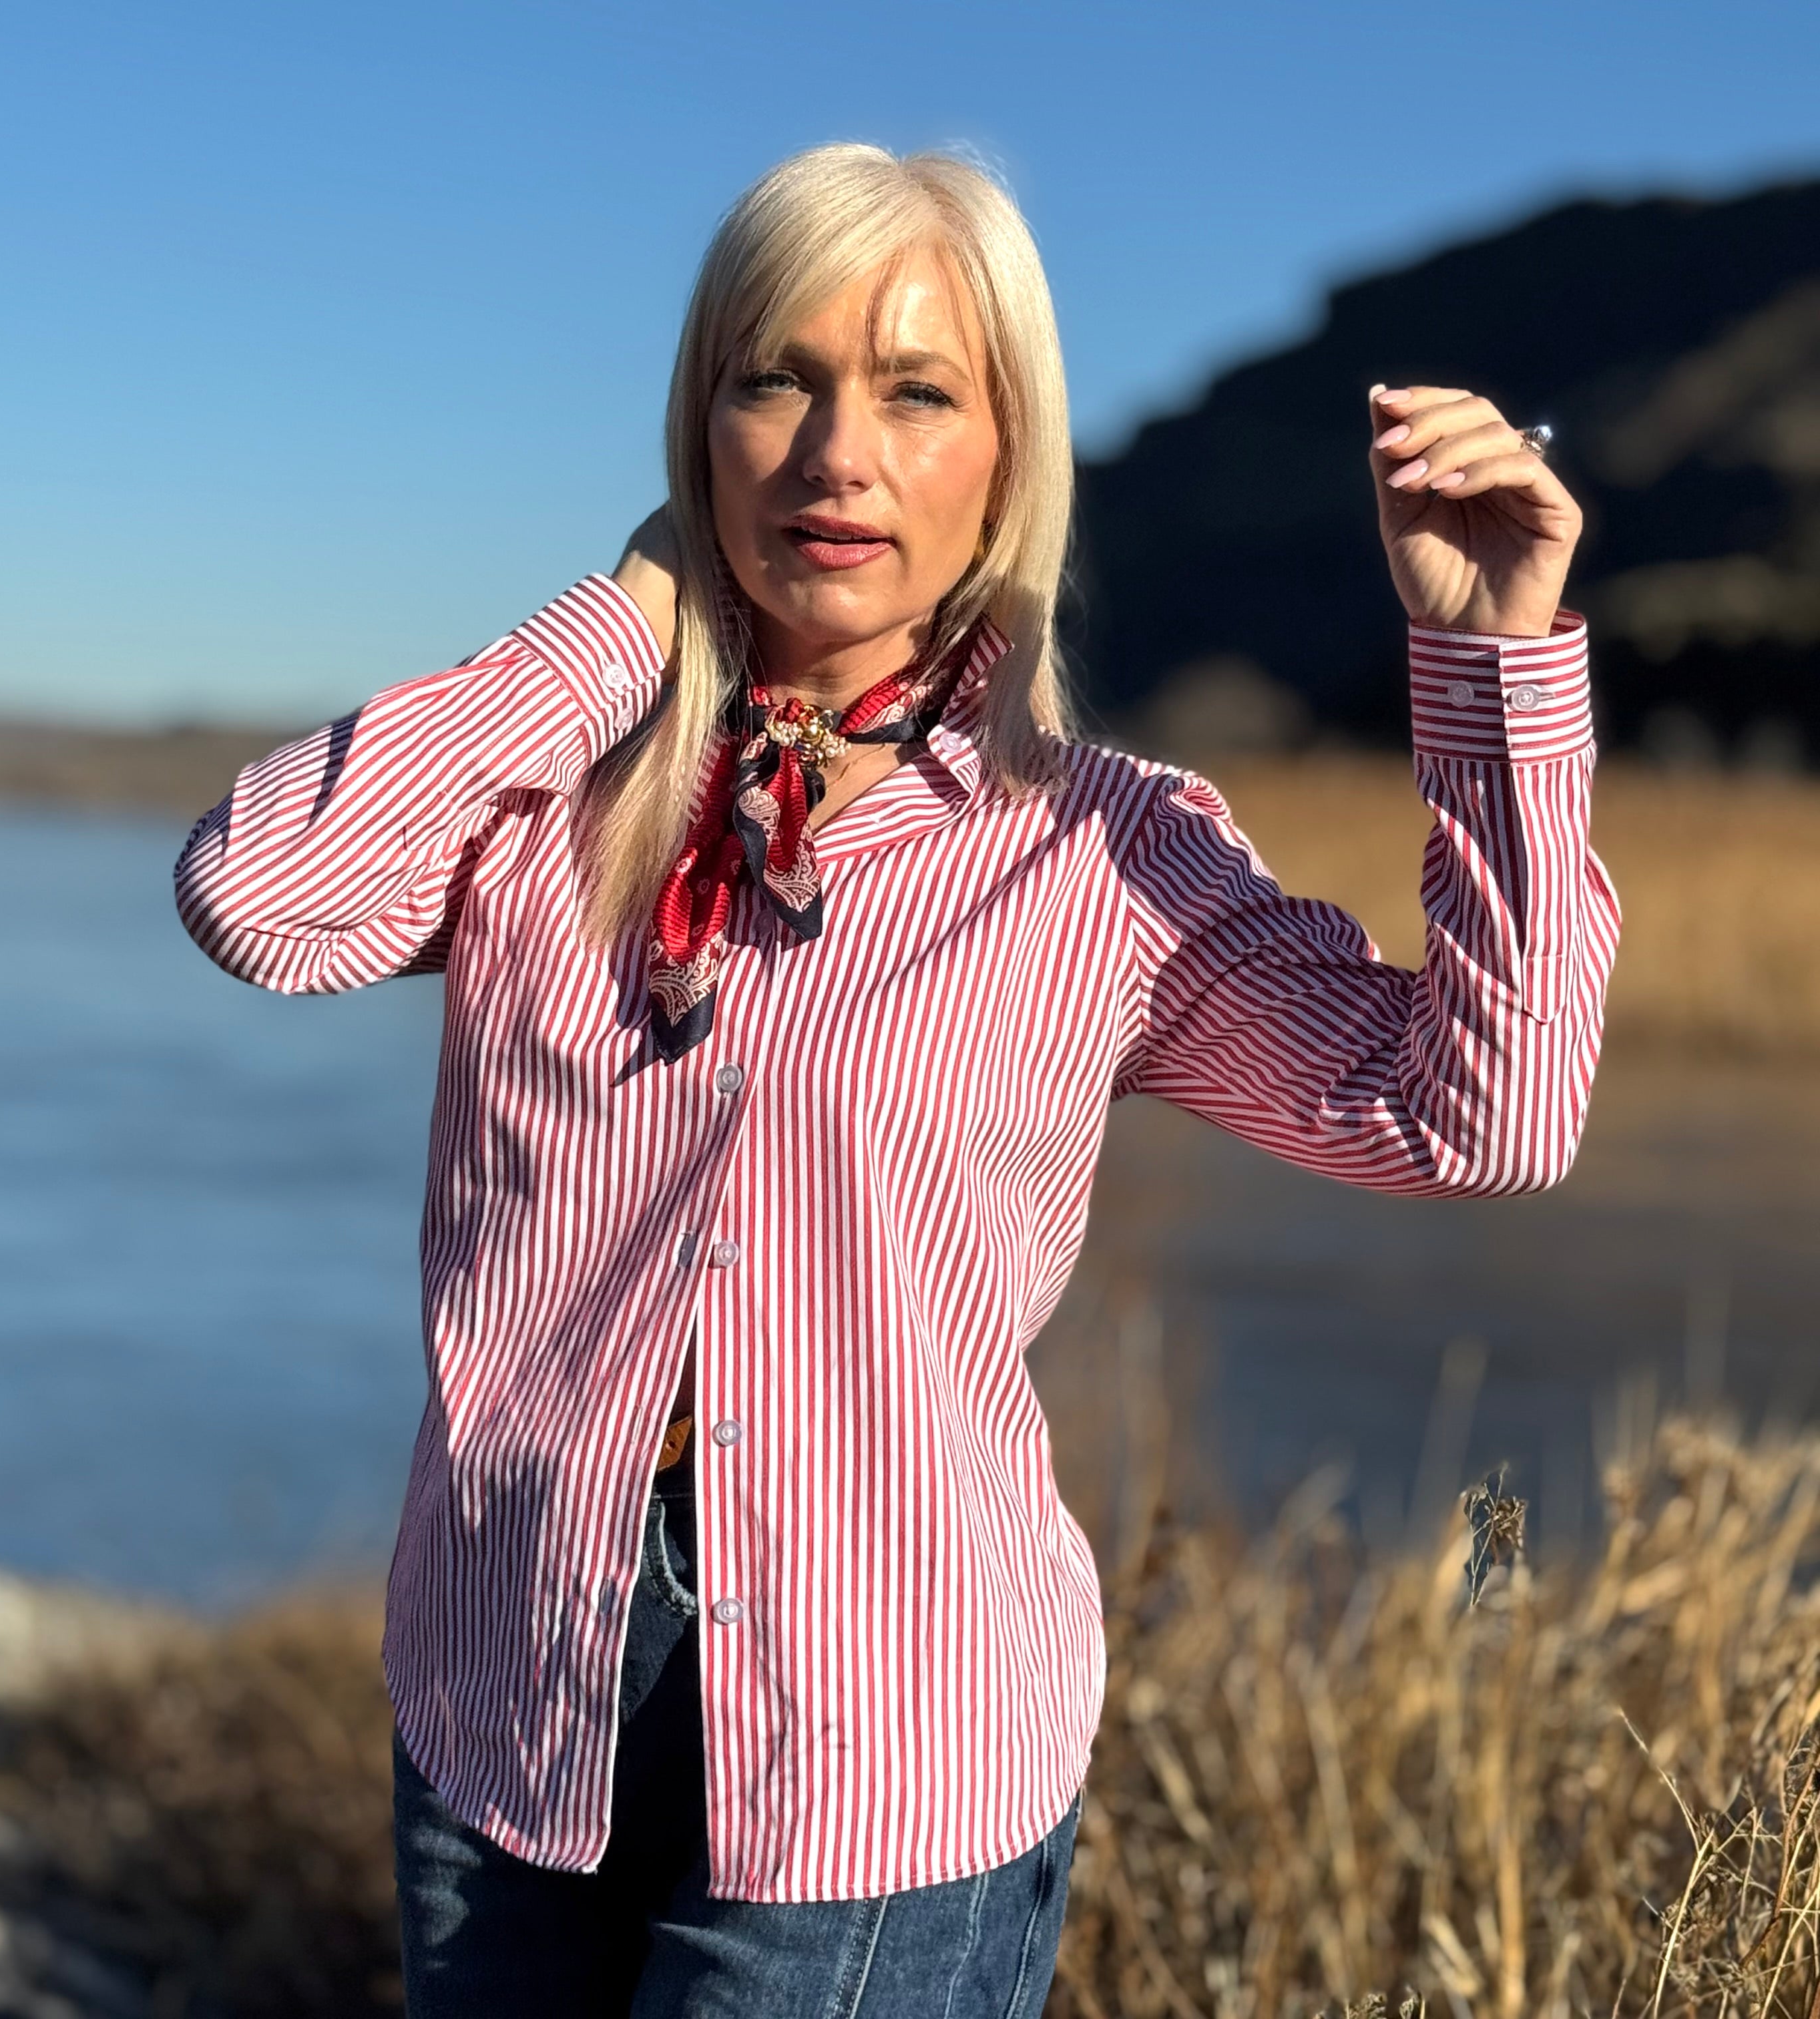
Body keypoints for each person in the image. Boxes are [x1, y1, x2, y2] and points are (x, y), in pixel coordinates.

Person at [174, 142, 1618, 2017]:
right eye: (775, 378)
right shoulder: (552, 805)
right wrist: (624, 627)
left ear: (1008, 454)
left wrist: (1486, 658)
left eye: (918, 392)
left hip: (890, 1763)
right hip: (506, 1703)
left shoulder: (1102, 859)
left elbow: (1482, 1118)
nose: (836, 452)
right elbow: (256, 897)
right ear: (698, 430)